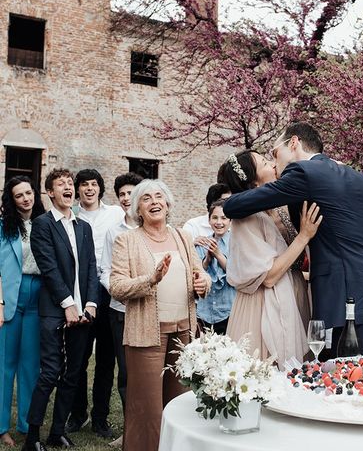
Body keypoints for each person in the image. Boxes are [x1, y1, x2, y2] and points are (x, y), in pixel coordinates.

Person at [223, 123, 363, 356]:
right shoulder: (361, 179)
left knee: (346, 384)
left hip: (346, 302)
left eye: (275, 152)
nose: (274, 160)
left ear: (294, 143)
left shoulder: (303, 173)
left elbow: (233, 206)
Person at [109, 179, 210, 451]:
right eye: (146, 198)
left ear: (168, 204)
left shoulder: (183, 237)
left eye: (159, 197)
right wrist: (150, 279)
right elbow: (116, 286)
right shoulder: (126, 240)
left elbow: (200, 273)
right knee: (148, 408)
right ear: (137, 209)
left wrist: (203, 283)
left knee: (180, 403)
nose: (154, 202)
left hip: (184, 333)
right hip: (146, 336)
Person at [219, 150, 319, 367]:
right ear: (254, 183)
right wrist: (303, 236)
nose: (273, 165)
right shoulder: (245, 219)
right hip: (263, 305)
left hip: (294, 293)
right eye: (265, 163)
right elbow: (269, 277)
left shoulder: (279, 207)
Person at [24, 169, 100, 451]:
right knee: (50, 373)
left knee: (73, 373)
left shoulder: (84, 227)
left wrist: (90, 304)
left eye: (70, 184)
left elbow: (92, 267)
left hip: (84, 312)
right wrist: (68, 304)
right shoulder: (43, 225)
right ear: (51, 193)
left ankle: (57, 432)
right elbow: (49, 268)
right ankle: (32, 438)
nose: (68, 187)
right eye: (62, 184)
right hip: (55, 311)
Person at [66, 169, 124, 439]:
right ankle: (78, 413)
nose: (89, 189)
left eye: (94, 184)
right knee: (78, 358)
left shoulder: (115, 214)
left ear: (100, 189)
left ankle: (100, 418)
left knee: (106, 360)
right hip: (80, 292)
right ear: (78, 190)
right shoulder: (72, 215)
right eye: (84, 185)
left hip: (109, 292)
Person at [98, 172, 143, 446]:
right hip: (120, 310)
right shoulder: (113, 232)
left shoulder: (153, 226)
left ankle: (151, 425)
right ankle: (130, 430)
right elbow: (105, 270)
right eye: (122, 194)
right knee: (126, 373)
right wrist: (120, 291)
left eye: (131, 193)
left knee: (148, 372)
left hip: (149, 310)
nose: (127, 198)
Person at [0, 177, 45, 447]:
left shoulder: (45, 224)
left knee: (31, 365)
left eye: (29, 192)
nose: (26, 198)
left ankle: (28, 424)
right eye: (19, 195)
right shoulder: (4, 227)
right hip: (10, 296)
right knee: (5, 365)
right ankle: (1, 427)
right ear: (12, 200)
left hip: (39, 297)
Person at [194, 199, 235, 335]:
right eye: (215, 217)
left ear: (230, 220)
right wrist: (207, 260)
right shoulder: (202, 242)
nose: (219, 222)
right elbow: (197, 273)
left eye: (224, 218)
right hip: (205, 310)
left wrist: (218, 254)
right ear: (209, 219)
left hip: (228, 309)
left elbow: (235, 275)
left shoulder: (235, 243)